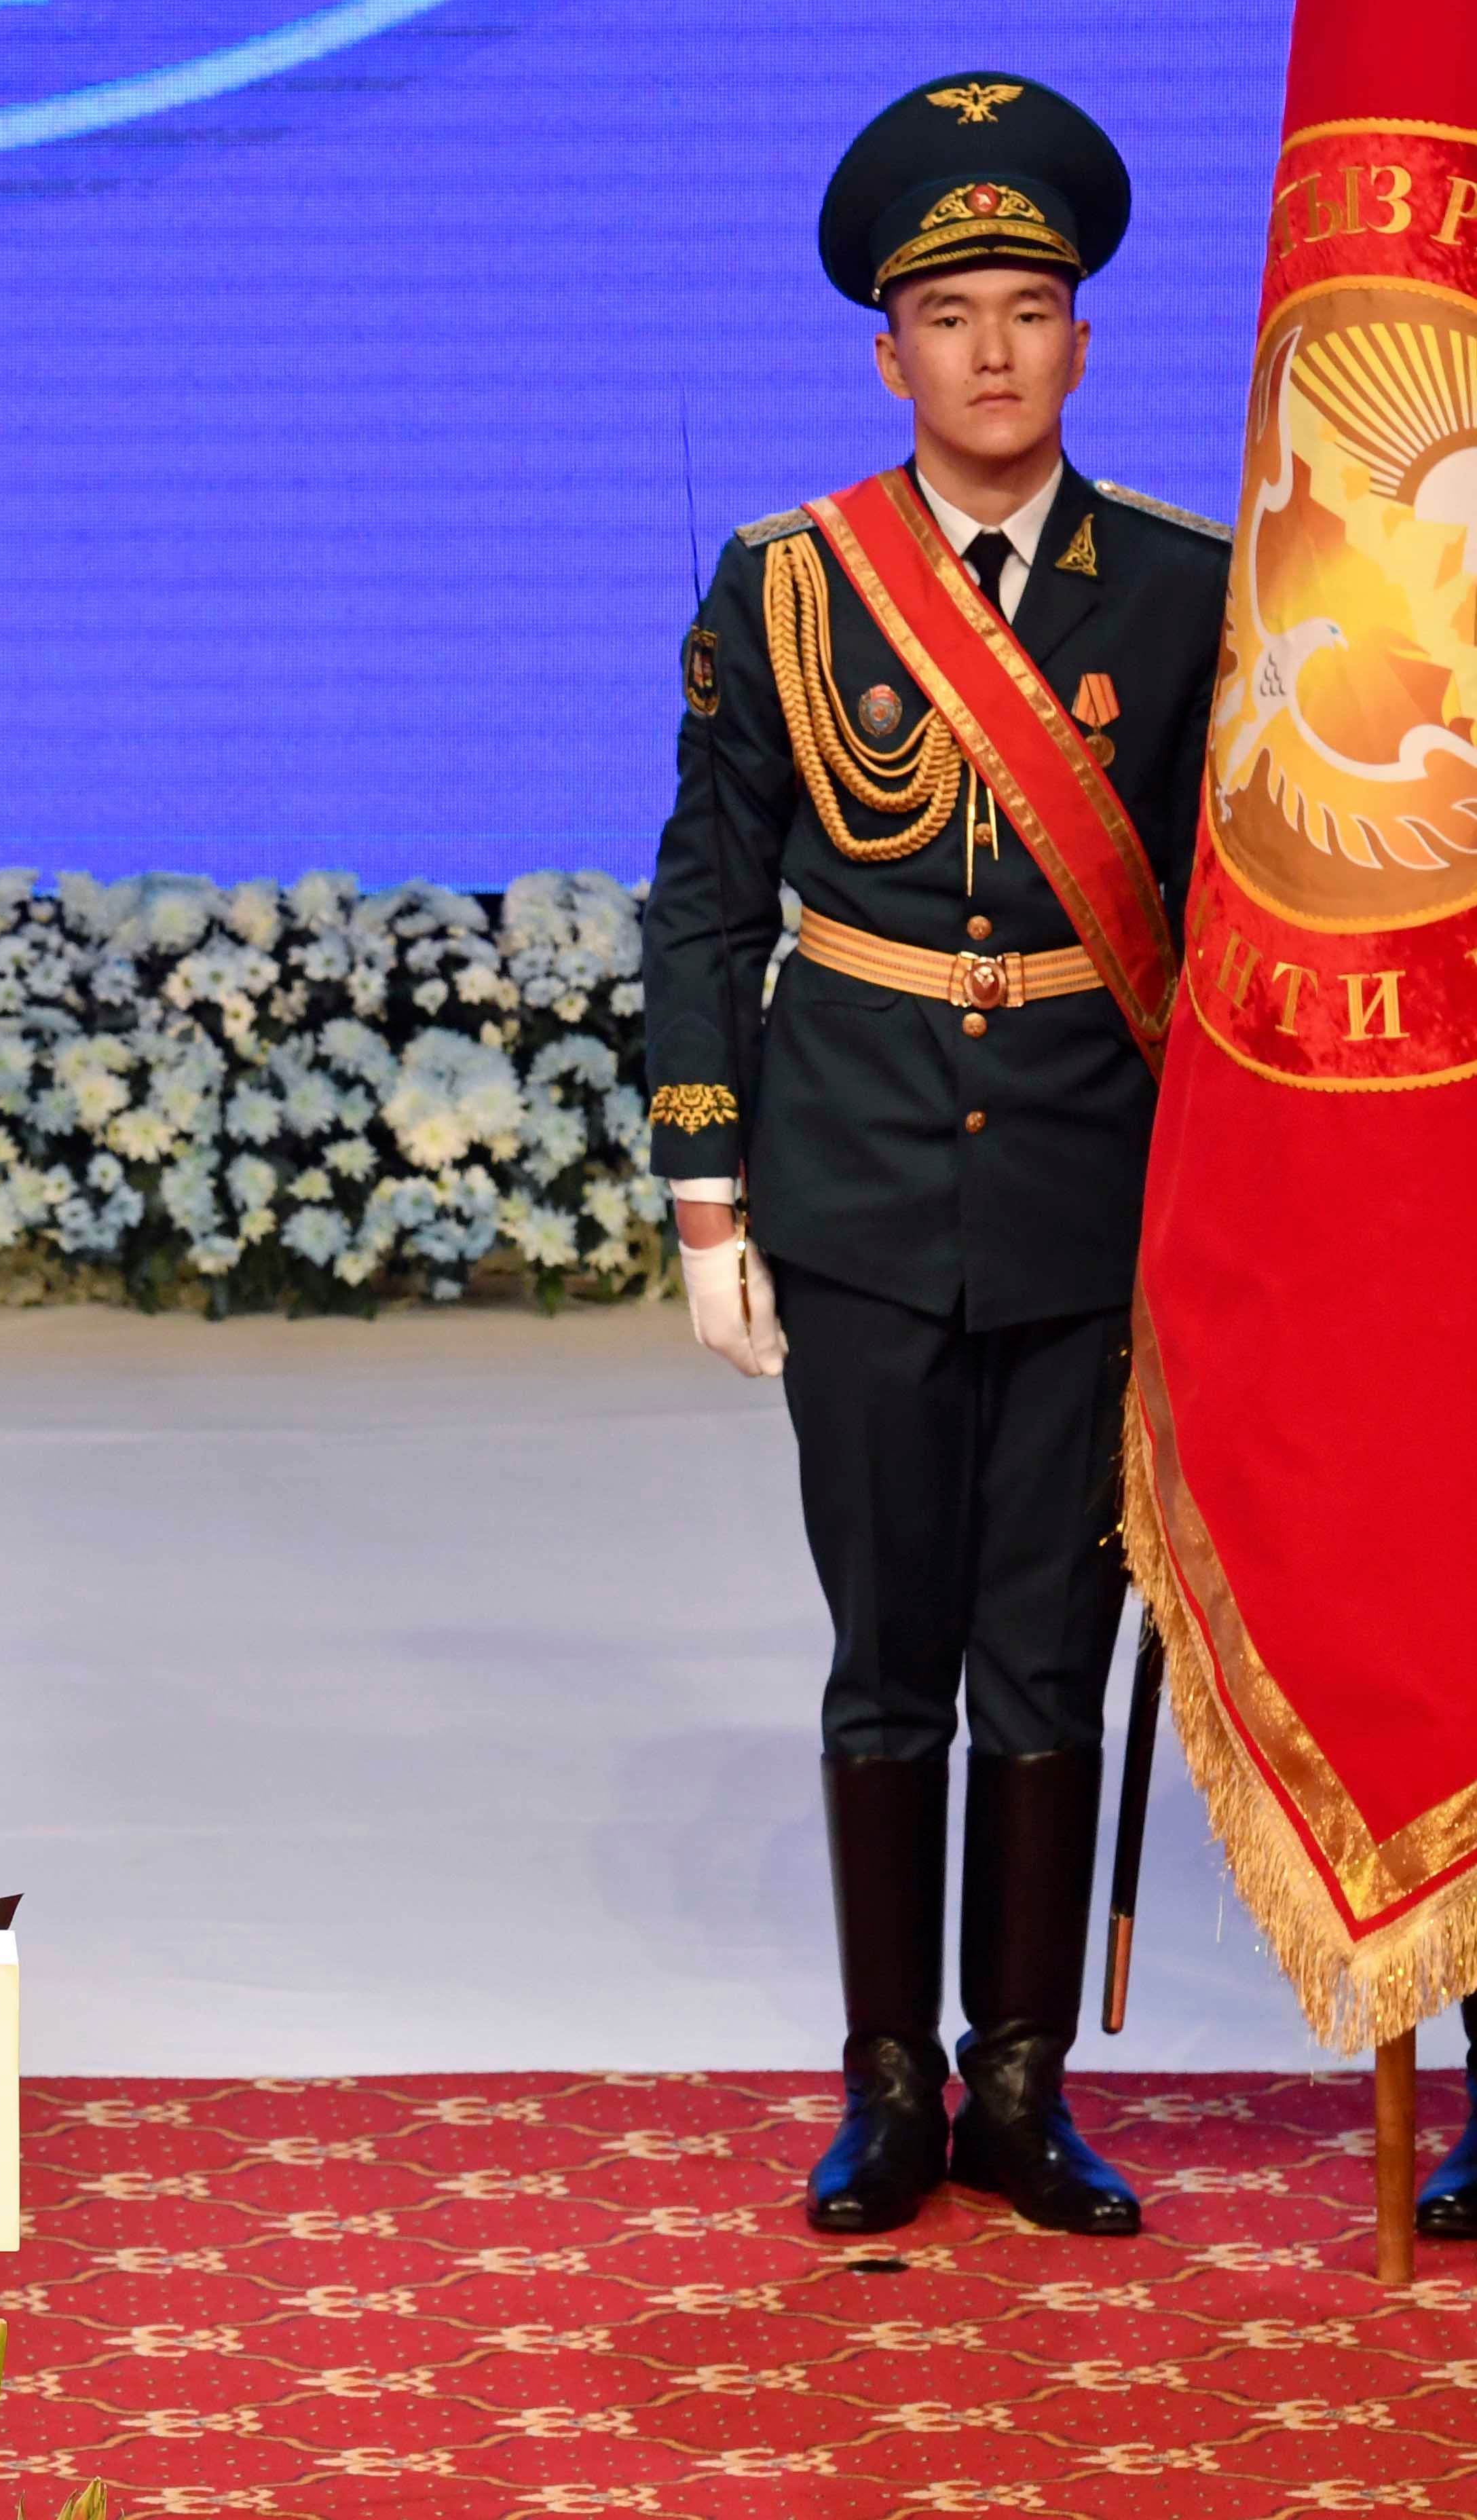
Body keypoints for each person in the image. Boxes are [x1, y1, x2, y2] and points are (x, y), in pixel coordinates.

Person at [640, 77, 1224, 2239]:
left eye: (1031, 307)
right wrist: (710, 1193)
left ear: (1085, 341)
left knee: (1045, 1660)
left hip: (1092, 1201)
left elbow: (1235, 923)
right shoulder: (791, 586)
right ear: (886, 353)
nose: (992, 350)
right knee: (888, 1656)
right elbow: (707, 898)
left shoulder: (1185, 593)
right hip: (863, 1186)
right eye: (949, 313)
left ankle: (1022, 2084)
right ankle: (887, 2087)